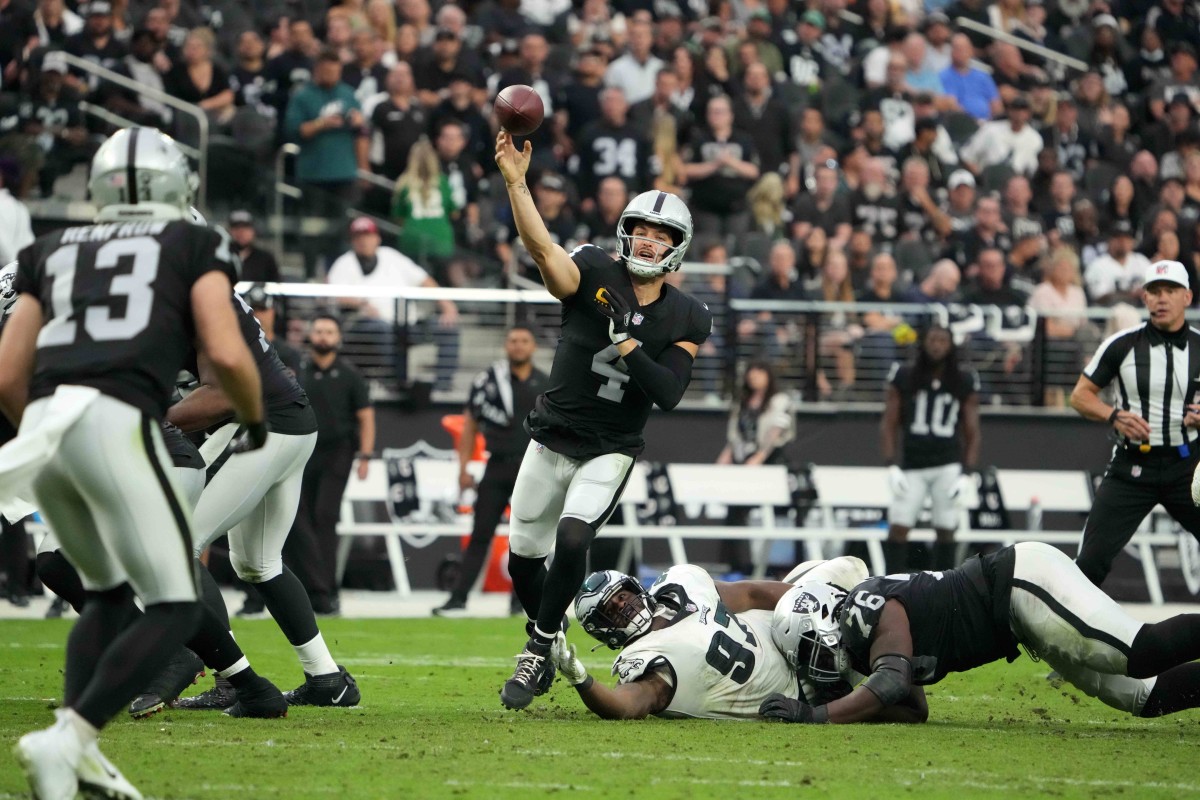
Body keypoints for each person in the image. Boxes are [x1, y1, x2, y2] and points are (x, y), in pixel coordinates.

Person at [0, 127, 265, 800]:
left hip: (44, 426)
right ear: (177, 183)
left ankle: (74, 753)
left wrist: (37, 427)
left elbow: (7, 373)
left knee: (109, 593)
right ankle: (68, 737)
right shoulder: (190, 242)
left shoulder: (49, 246)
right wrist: (255, 419)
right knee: (175, 603)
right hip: (116, 419)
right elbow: (230, 355)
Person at [493, 129, 712, 711]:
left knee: (573, 535)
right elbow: (543, 252)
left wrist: (627, 342)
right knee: (522, 558)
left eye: (660, 233)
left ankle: (537, 648)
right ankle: (550, 645)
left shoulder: (688, 315)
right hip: (551, 437)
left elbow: (668, 392)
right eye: (641, 228)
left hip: (609, 447)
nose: (647, 240)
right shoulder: (592, 269)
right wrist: (517, 183)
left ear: (677, 246)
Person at [165, 287, 361, 713]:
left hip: (264, 425)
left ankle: (229, 676)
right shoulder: (201, 294)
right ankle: (327, 678)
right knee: (257, 563)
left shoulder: (202, 301)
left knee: (176, 545)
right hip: (287, 423)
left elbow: (220, 395)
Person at [761, 542, 1200, 724]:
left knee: (1139, 652)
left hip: (1020, 585)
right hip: (1016, 618)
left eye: (809, 648)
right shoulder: (859, 639)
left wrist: (814, 716)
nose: (815, 662)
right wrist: (847, 702)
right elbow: (912, 707)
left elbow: (894, 679)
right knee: (1147, 696)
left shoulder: (864, 603)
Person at [549, 557, 869, 719]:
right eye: (611, 609)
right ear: (604, 631)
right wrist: (582, 679)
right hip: (801, 681)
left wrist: (811, 605)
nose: (624, 604)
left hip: (784, 627)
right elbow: (627, 704)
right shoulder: (648, 658)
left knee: (837, 569)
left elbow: (752, 592)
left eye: (623, 595)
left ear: (637, 587)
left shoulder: (679, 584)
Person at [1070, 260, 1200, 588]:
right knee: (1089, 561)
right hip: (1132, 467)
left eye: (1170, 291)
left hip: (1189, 467)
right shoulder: (1122, 344)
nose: (1161, 298)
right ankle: (1064, 634)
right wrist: (1113, 416)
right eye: (1154, 291)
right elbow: (1080, 396)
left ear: (1187, 297)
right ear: (1144, 298)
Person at [433, 325, 548, 616]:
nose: (518, 346)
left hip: (532, 468)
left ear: (533, 347)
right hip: (495, 466)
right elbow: (470, 422)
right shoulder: (488, 381)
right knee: (480, 534)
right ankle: (458, 599)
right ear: (505, 346)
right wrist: (463, 467)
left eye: (524, 340)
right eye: (513, 341)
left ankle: (519, 600)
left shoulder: (546, 383)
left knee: (527, 538)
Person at [284, 314, 375, 616]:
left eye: (329, 331)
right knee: (302, 521)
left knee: (326, 516)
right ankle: (311, 588)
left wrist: (365, 455)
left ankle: (328, 589)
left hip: (338, 451)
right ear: (311, 335)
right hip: (303, 451)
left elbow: (365, 416)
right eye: (319, 330)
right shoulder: (298, 371)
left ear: (338, 338)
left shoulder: (350, 375)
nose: (323, 336)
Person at [881, 325, 981, 573]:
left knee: (946, 527)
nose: (937, 345)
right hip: (912, 464)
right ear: (923, 343)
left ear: (951, 345)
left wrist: (968, 472)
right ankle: (891, 583)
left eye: (943, 340)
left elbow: (972, 430)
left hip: (947, 463)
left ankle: (943, 587)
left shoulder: (962, 379)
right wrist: (891, 464)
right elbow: (889, 422)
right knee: (899, 525)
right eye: (932, 339)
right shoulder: (905, 375)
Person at [326, 215, 459, 391]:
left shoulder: (391, 256)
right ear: (352, 240)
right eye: (358, 237)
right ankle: (395, 384)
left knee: (448, 328)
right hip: (365, 326)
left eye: (368, 235)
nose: (363, 240)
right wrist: (361, 304)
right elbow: (333, 294)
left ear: (377, 238)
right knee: (382, 329)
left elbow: (424, 279)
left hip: (405, 324)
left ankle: (442, 387)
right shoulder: (344, 263)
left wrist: (447, 305)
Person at [715, 361, 795, 574]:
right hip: (743, 461)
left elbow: (777, 431)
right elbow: (736, 435)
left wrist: (760, 457)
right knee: (736, 512)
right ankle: (738, 564)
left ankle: (773, 567)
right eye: (751, 372)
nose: (754, 376)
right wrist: (726, 457)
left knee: (769, 514)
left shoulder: (780, 400)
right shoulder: (742, 402)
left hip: (768, 462)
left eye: (759, 372)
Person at [228, 210, 280, 284]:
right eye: (236, 228)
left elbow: (276, 287)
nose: (241, 232)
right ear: (230, 231)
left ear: (253, 231)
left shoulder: (265, 259)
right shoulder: (222, 257)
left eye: (245, 228)